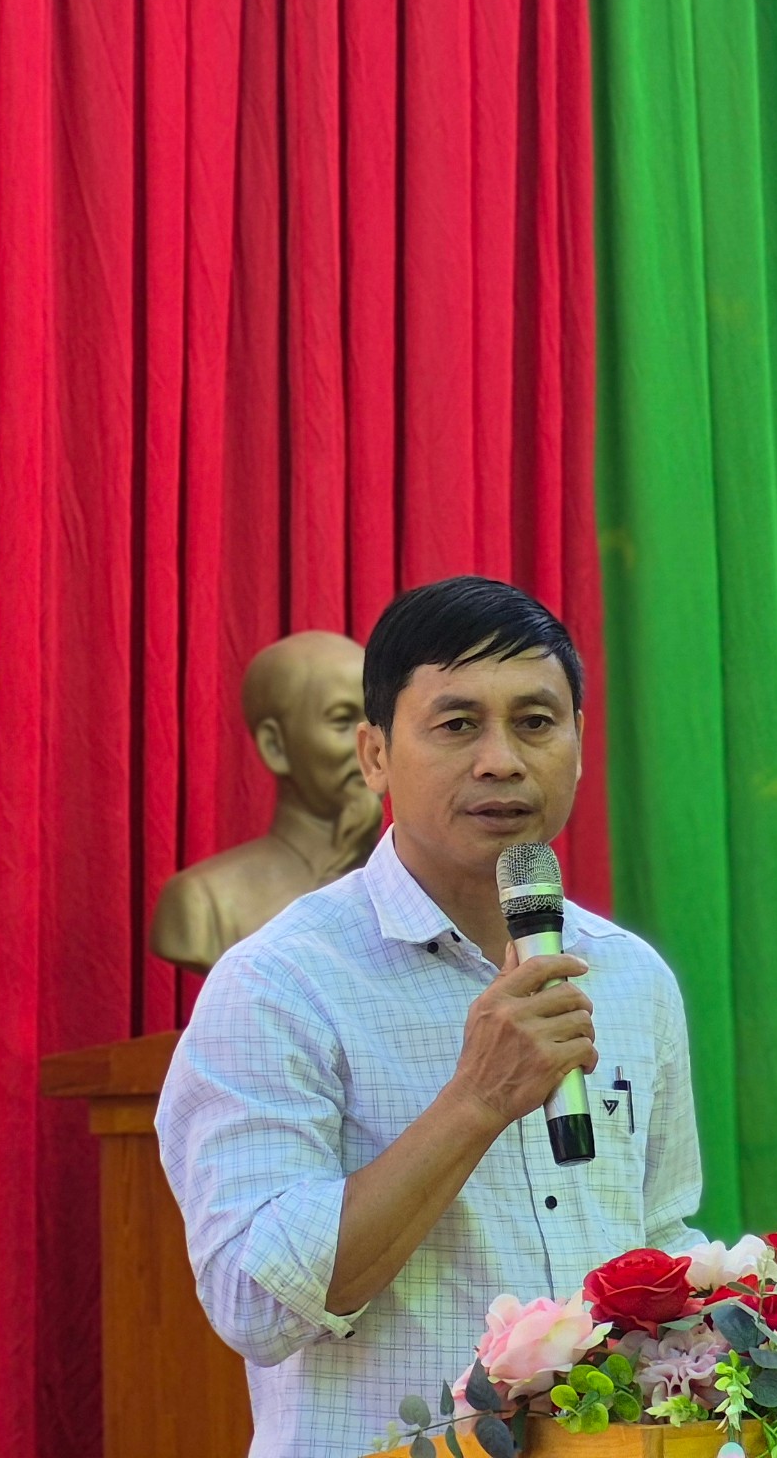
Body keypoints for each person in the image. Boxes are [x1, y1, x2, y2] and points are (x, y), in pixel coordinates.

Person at [157, 576, 706, 1458]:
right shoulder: (280, 982)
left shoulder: (631, 975)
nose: (502, 760)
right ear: (375, 755)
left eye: (536, 722)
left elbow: (658, 1237)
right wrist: (475, 1102)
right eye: (457, 725)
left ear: (577, 744)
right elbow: (254, 1307)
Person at [151, 629, 384, 974]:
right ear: (275, 746)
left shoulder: (424, 886)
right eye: (341, 721)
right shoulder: (204, 904)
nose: (372, 744)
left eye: (376, 719)